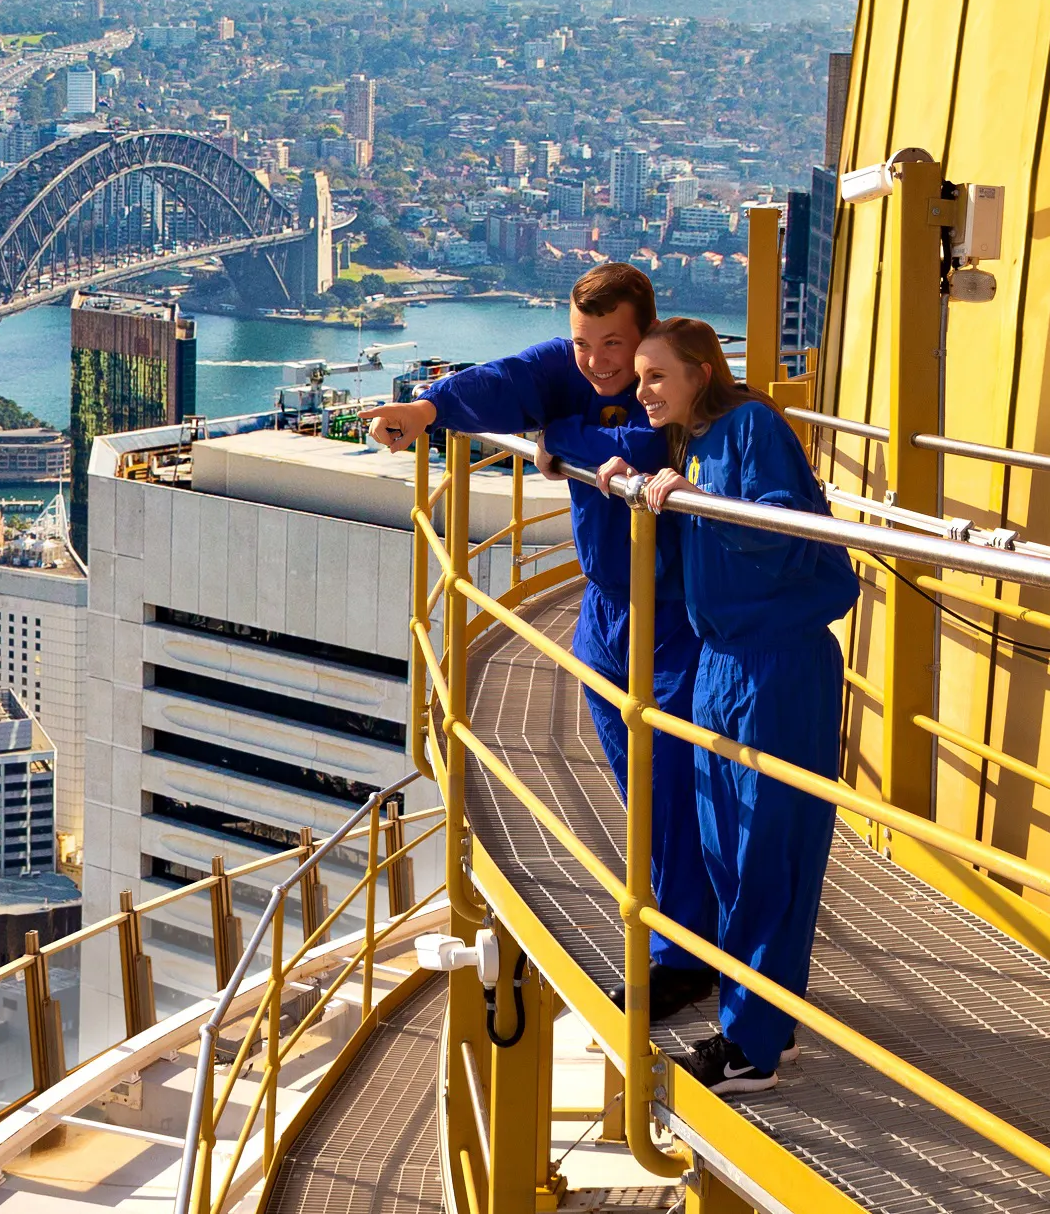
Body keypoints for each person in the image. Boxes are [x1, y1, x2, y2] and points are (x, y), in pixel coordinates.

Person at [365, 263, 720, 1018]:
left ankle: (685, 952)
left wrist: (561, 435)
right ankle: (684, 933)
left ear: (643, 333)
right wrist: (429, 410)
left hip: (675, 615)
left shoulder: (665, 380)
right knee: (639, 786)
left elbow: (645, 449)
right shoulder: (575, 369)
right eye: (584, 342)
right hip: (608, 612)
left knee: (668, 784)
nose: (596, 361)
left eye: (612, 344)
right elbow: (510, 378)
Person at [593, 316, 857, 1097]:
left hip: (777, 665)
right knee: (725, 854)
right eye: (638, 377)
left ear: (702, 371)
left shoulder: (749, 428)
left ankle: (752, 1049)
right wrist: (624, 484)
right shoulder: (694, 441)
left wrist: (696, 498)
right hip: (722, 664)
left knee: (765, 855)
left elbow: (779, 530)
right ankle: (769, 1019)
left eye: (654, 376)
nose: (640, 390)